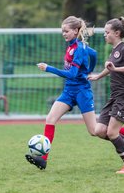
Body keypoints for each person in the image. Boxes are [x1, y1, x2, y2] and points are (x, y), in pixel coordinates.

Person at [25, 16, 97, 170]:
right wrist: (89, 70)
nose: (63, 34)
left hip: (82, 91)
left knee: (94, 130)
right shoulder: (72, 45)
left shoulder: (79, 48)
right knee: (50, 119)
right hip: (69, 91)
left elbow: (72, 74)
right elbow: (94, 54)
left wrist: (48, 68)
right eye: (62, 31)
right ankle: (43, 159)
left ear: (76, 31)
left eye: (66, 31)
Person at [88, 17, 124, 174]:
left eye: (107, 32)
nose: (105, 35)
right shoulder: (114, 51)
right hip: (115, 97)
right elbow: (110, 67)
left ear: (117, 33)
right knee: (99, 130)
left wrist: (116, 69)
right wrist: (97, 76)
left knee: (112, 132)